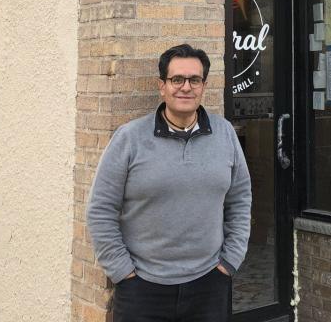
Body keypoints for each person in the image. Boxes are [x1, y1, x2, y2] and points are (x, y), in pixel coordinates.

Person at [87, 44, 251, 322]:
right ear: (162, 86)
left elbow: (240, 199)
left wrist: (230, 260)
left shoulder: (225, 134)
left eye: (194, 80)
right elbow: (100, 210)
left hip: (209, 284)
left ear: (204, 86)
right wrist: (122, 272)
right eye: (177, 79)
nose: (186, 87)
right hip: (142, 289)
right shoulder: (130, 138)